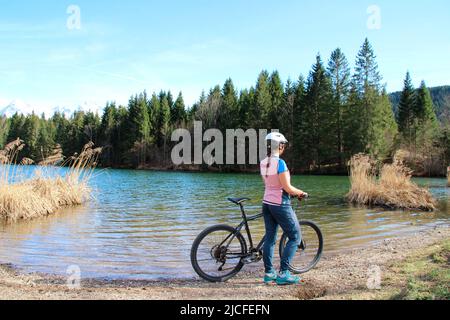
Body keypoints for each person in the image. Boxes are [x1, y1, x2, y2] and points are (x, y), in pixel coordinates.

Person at [260, 132, 308, 285]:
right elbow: (286, 187)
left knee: (270, 238)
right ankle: (283, 273)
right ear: (279, 146)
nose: (284, 148)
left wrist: (288, 192)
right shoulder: (280, 163)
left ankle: (269, 273)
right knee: (294, 236)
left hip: (266, 203)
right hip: (280, 204)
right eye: (283, 145)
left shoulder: (263, 162)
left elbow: (271, 185)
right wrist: (301, 193)